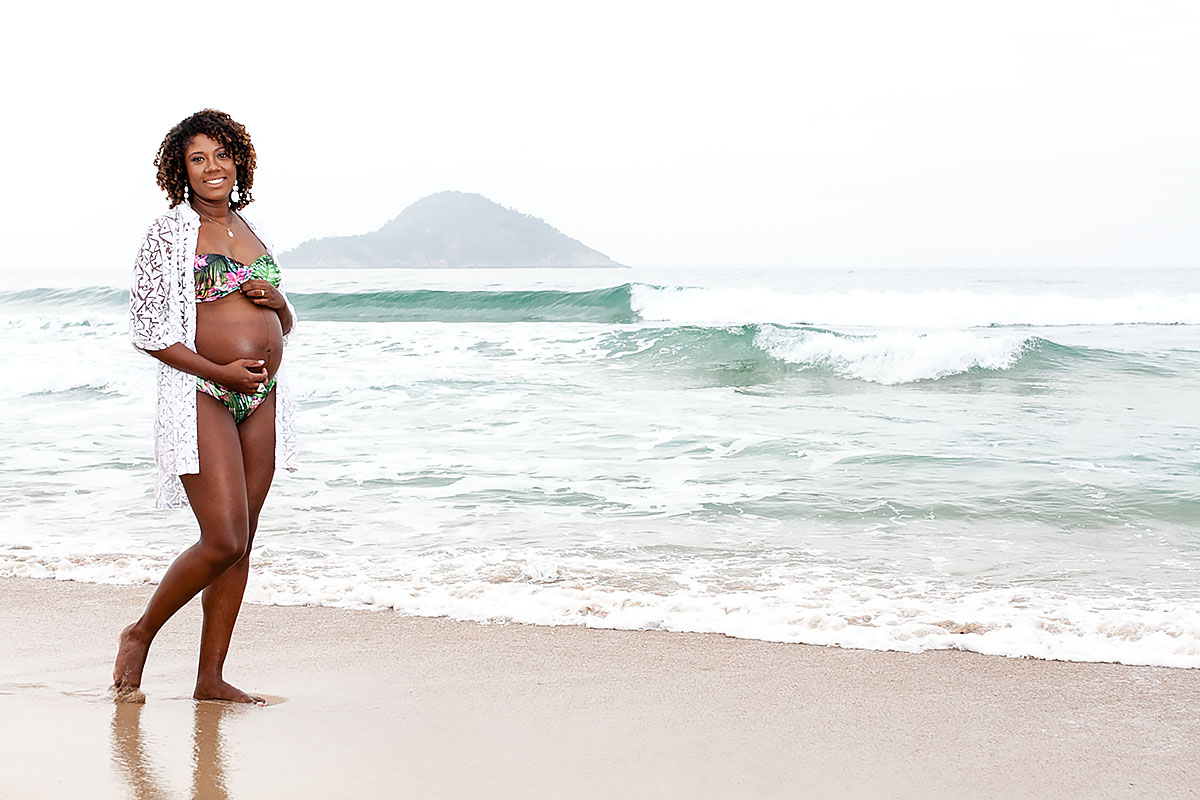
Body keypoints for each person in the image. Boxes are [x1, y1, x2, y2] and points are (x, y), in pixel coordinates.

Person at [114, 109, 298, 704]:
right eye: (198, 159)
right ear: (181, 170)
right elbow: (149, 331)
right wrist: (221, 372)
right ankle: (140, 634)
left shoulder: (253, 228)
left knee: (243, 543)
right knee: (221, 538)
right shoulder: (169, 233)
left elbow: (281, 323)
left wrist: (280, 303)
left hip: (263, 397)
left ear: (237, 160)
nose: (212, 167)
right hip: (203, 391)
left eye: (221, 154)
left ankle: (210, 677)